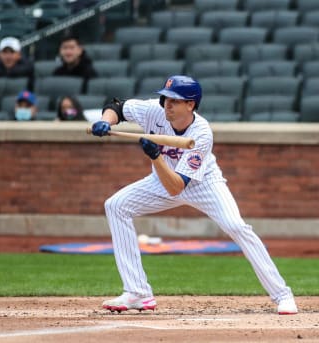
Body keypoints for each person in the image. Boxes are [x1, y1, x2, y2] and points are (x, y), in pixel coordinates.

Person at [90, 75, 298, 315]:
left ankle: (283, 294)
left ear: (190, 104)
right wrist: (105, 121)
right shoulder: (153, 111)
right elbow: (117, 106)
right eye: (166, 98)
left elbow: (177, 187)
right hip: (162, 179)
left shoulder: (202, 133)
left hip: (204, 185)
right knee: (116, 206)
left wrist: (155, 157)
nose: (167, 103)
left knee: (237, 227)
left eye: (174, 100)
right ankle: (137, 292)